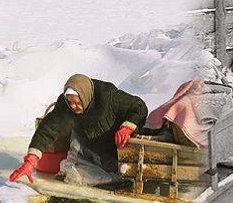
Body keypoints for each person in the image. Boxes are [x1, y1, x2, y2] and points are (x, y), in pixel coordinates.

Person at [9, 73, 148, 183]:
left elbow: (139, 107)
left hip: (118, 144)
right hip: (92, 147)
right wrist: (31, 160)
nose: (74, 107)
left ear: (85, 95)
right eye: (70, 102)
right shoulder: (65, 105)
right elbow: (48, 129)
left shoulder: (108, 96)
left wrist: (127, 127)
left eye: (77, 102)